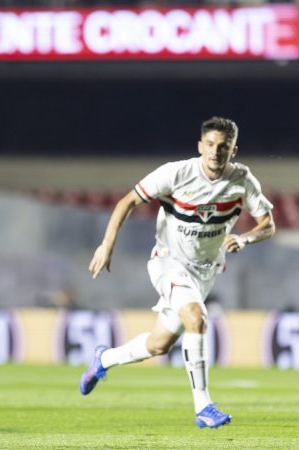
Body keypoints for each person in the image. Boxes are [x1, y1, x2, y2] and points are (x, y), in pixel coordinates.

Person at [79, 117, 275, 429]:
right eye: (209, 145)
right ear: (200, 146)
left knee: (159, 344)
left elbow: (268, 224)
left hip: (205, 272)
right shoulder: (176, 173)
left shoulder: (242, 180)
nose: (215, 152)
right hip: (168, 262)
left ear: (233, 150)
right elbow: (127, 201)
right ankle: (203, 406)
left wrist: (244, 238)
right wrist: (106, 245)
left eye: (222, 147)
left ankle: (104, 360)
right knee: (196, 317)